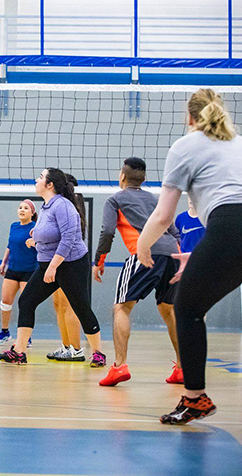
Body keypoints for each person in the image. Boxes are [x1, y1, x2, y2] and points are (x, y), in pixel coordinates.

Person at [137, 88, 241, 424]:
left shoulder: (185, 145)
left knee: (187, 308)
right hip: (228, 231)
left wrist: (143, 243)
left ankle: (195, 399)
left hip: (230, 227)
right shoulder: (238, 143)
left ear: (190, 117)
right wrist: (201, 258)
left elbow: (164, 215)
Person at [0, 168, 105, 366]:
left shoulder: (63, 205)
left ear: (50, 185)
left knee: (80, 307)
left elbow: (70, 238)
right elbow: (48, 234)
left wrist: (53, 266)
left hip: (71, 264)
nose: (36, 180)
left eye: (40, 177)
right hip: (49, 264)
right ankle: (19, 352)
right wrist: (35, 241)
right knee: (27, 301)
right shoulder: (46, 206)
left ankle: (98, 353)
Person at [94, 157, 183, 387]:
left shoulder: (115, 199)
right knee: (168, 308)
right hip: (172, 254)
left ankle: (119, 366)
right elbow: (174, 231)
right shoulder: (155, 199)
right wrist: (179, 259)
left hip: (144, 253)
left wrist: (99, 260)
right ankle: (182, 369)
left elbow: (107, 232)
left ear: (122, 176)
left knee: (122, 307)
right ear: (144, 179)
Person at [46, 174, 84, 362]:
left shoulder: (71, 204)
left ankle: (76, 348)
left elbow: (73, 234)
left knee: (69, 304)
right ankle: (66, 345)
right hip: (56, 258)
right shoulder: (53, 206)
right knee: (58, 304)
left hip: (69, 260)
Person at [0, 200, 38, 346]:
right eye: (20, 207)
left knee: (25, 304)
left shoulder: (36, 228)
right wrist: (4, 262)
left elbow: (43, 246)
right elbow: (10, 245)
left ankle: (25, 337)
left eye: (26, 208)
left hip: (29, 271)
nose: (22, 210)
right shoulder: (13, 226)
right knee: (5, 302)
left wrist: (35, 243)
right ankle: (5, 332)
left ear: (32, 213)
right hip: (13, 269)